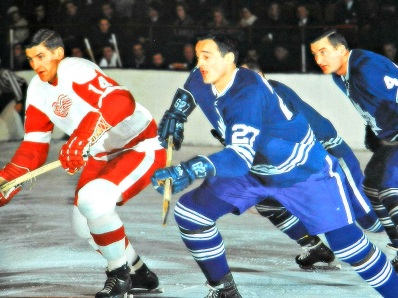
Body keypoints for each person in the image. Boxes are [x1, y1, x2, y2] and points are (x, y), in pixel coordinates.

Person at [151, 33, 398, 297]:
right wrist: (177, 112)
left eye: (206, 57)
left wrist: (189, 169)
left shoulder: (248, 95)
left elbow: (237, 159)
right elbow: (190, 86)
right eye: (199, 56)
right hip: (257, 169)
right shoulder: (204, 75)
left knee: (351, 246)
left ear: (230, 60)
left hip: (302, 172)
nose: (199, 63)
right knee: (192, 214)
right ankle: (224, 290)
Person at [0, 28, 166, 297]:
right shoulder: (38, 90)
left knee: (93, 202)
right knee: (83, 224)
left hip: (139, 145)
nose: (35, 65)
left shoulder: (75, 70)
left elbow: (121, 101)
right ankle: (139, 273)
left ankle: (119, 275)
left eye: (41, 56)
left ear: (58, 53)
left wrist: (83, 134)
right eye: (31, 59)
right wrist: (7, 178)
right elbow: (33, 146)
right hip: (102, 152)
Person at [310, 28, 398, 272]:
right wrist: (374, 129)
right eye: (315, 54)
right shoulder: (341, 75)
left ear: (341, 49)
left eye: (324, 52)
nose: (319, 60)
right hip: (391, 137)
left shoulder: (366, 69)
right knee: (372, 185)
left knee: (390, 187)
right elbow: (374, 103)